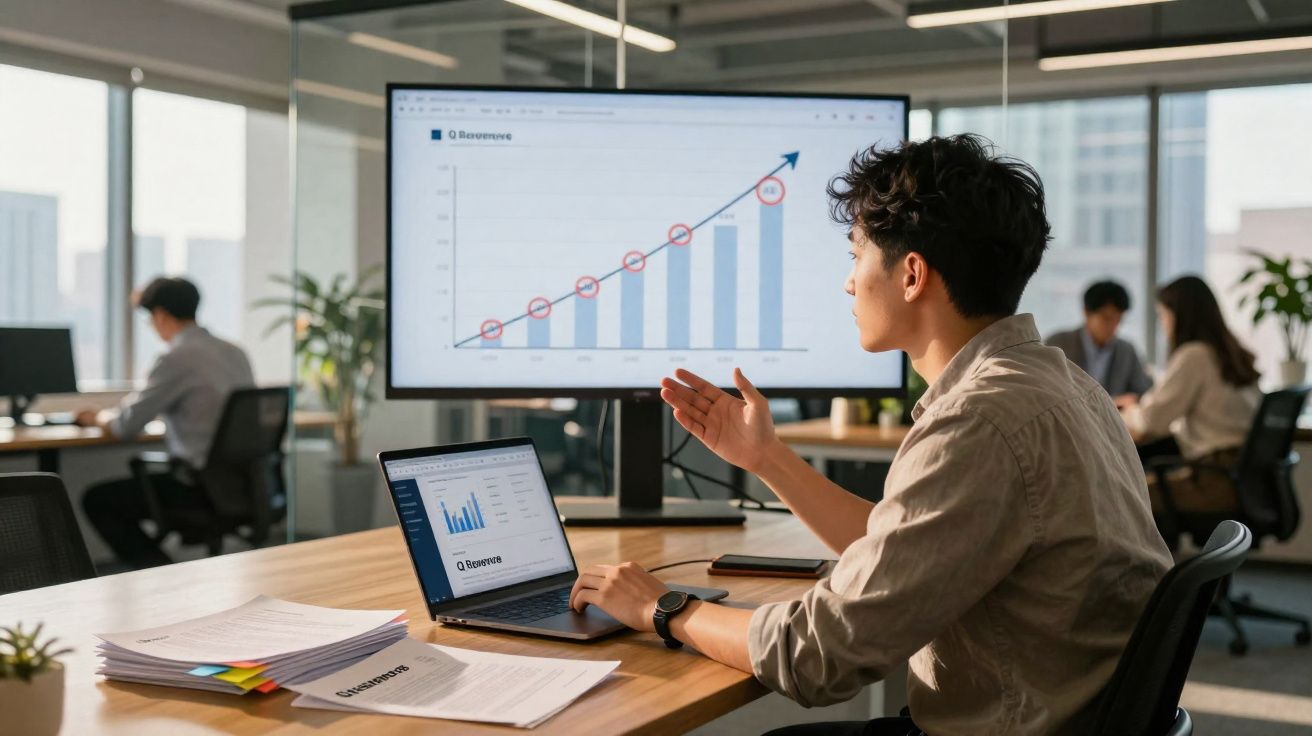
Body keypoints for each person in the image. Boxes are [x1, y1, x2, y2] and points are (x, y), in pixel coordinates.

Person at [567, 134, 1172, 736]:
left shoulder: (980, 422)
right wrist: (768, 458)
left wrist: (661, 607)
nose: (849, 283)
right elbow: (912, 547)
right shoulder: (1062, 385)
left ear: (911, 274)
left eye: (856, 255)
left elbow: (818, 657)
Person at [79, 277, 254, 569]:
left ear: (160, 315)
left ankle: (160, 573)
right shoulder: (235, 352)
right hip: (244, 484)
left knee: (97, 501)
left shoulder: (176, 358)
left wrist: (96, 416)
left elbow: (125, 426)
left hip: (199, 488)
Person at [1121, 275, 1261, 513]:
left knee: (1122, 498)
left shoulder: (1195, 356)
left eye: (1163, 316)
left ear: (1179, 315)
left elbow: (1152, 422)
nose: (1163, 325)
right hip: (1245, 479)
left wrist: (1128, 411)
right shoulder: (1230, 353)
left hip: (1215, 480)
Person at [1046, 279, 1153, 405]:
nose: (1113, 325)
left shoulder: (1126, 350)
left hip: (1112, 421)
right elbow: (1046, 390)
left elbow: (1143, 390)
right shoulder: (1058, 344)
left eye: (1118, 319)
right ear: (1086, 313)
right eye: (1106, 318)